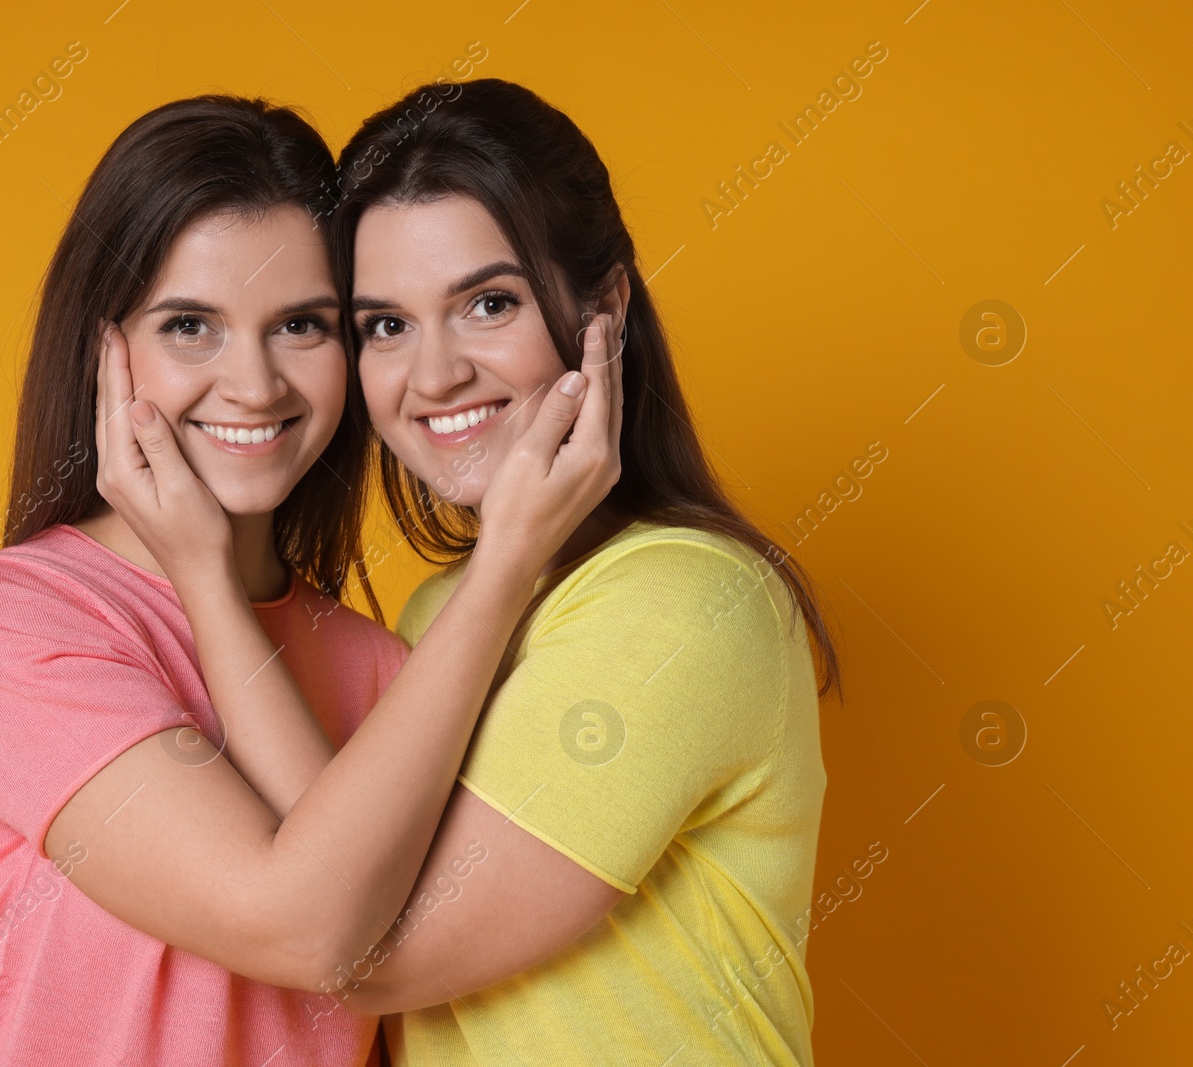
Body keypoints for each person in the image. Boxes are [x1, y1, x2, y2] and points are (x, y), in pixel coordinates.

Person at [0, 93, 619, 1067]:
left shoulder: (390, 665)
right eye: (190, 325)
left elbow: (393, 964)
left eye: (300, 325)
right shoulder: (9, 621)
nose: (253, 384)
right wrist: (504, 563)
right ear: (102, 347)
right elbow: (301, 928)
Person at [300, 79, 843, 1064]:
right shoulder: (440, 613)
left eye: (488, 303)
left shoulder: (684, 599)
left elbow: (353, 947)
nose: (432, 376)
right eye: (385, 324)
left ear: (606, 306)